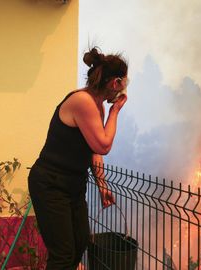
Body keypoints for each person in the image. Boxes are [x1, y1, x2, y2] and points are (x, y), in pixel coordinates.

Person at [28, 47, 129, 269]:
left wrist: (102, 185)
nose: (123, 91)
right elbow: (103, 145)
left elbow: (93, 148)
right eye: (124, 84)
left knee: (80, 241)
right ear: (115, 83)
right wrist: (115, 112)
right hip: (51, 184)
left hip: (72, 186)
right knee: (63, 254)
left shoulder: (96, 105)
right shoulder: (83, 101)